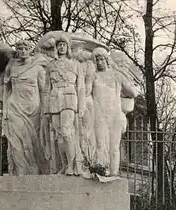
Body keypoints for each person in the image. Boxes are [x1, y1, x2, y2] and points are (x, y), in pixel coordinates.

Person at [86, 47, 138, 176]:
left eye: (101, 59)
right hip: (99, 115)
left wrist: (123, 96)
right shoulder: (93, 76)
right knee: (100, 144)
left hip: (114, 114)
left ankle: (114, 173)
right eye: (97, 60)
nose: (99, 62)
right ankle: (101, 170)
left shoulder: (117, 75)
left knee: (114, 146)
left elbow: (133, 92)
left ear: (107, 59)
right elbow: (86, 92)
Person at [2, 39, 48, 175]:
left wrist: (45, 110)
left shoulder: (38, 68)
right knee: (16, 141)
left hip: (33, 108)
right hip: (14, 105)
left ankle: (34, 168)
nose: (22, 51)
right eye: (19, 49)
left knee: (33, 142)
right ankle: (20, 170)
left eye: (25, 48)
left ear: (29, 50)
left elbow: (43, 90)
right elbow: (7, 89)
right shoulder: (11, 67)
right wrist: (5, 109)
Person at [43, 34, 85, 176]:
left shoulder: (76, 65)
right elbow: (46, 88)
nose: (61, 47)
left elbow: (81, 87)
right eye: (59, 45)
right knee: (59, 135)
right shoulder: (51, 65)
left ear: (68, 48)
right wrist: (45, 108)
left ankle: (71, 165)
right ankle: (64, 165)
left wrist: (82, 106)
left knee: (67, 131)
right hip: (55, 98)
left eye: (64, 45)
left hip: (69, 97)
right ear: (56, 47)